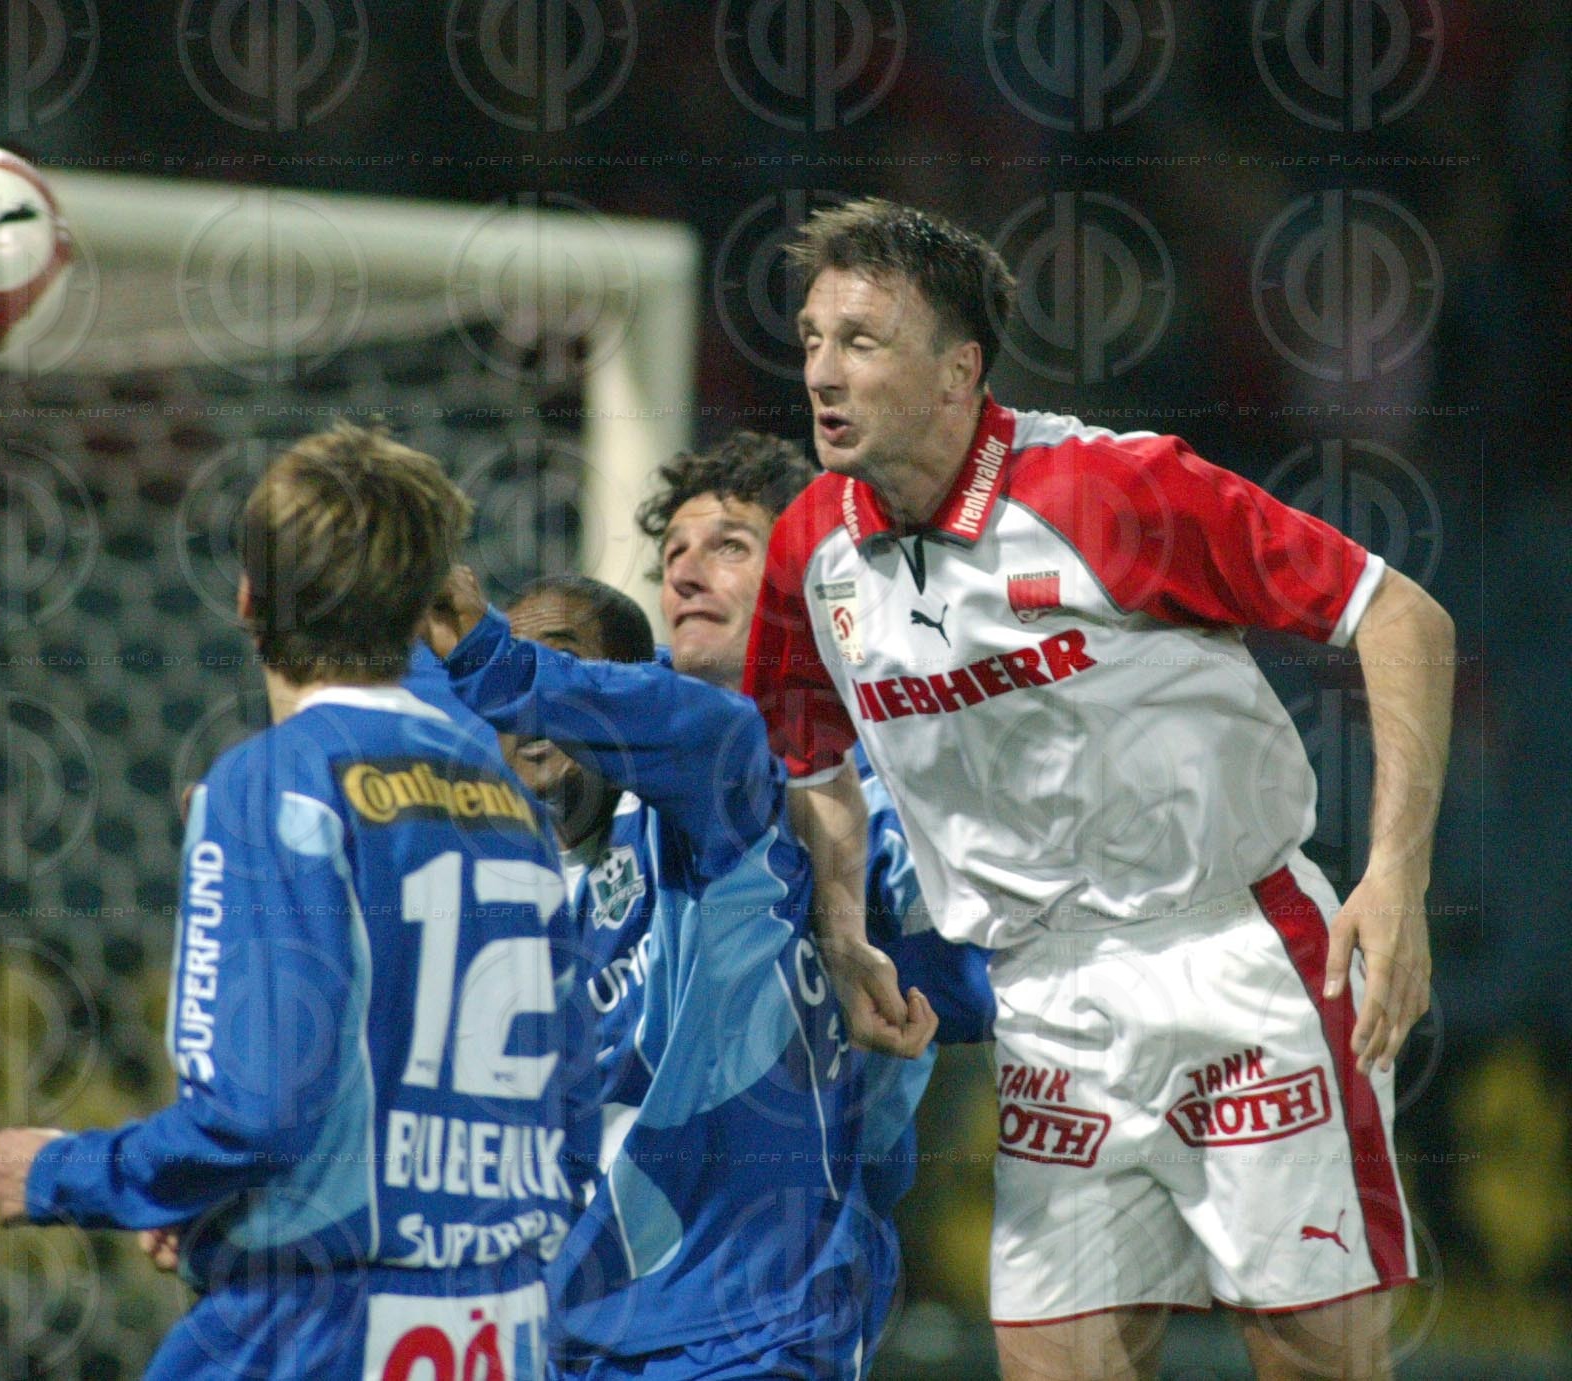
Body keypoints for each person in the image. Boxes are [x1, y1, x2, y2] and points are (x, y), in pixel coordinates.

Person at [741, 200, 1455, 1380]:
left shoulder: (1113, 490)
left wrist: (1397, 877)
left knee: (1313, 1362)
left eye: (861, 342)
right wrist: (845, 927)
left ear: (958, 370)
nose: (821, 370)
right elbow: (808, 760)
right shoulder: (810, 550)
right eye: (811, 338)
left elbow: (1401, 617)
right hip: (1047, 1001)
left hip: (1242, 962)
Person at [0, 424, 593, 1380]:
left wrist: (65, 1174)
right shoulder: (508, 801)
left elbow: (256, 1115)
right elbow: (569, 1100)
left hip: (314, 1325)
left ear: (248, 601)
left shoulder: (273, 784)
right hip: (499, 1323)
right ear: (419, 607)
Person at [426, 568, 926, 1380]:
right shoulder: (481, 891)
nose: (530, 705)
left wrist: (497, 656)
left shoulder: (713, 809)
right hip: (572, 1334)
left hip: (750, 1324)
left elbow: (702, 728)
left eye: (560, 667)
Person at [638, 430, 995, 1048]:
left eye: (728, 547)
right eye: (673, 554)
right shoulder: (622, 761)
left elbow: (979, 993)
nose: (686, 576)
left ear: (795, 577)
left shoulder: (890, 783)